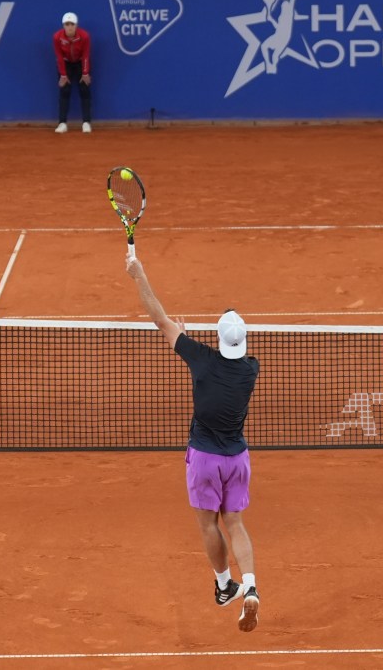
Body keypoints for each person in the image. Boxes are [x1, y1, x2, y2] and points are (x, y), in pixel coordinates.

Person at [125, 254, 262, 634]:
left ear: (218, 339)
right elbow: (223, 358)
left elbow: (158, 319)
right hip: (237, 459)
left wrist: (139, 274)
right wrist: (187, 341)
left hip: (204, 459)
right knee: (234, 522)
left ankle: (223, 586)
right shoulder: (251, 368)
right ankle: (250, 587)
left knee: (208, 525)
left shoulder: (200, 359)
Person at [53, 12, 92, 134]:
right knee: (64, 91)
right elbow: (59, 57)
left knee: (84, 90)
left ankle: (86, 123)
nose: (69, 27)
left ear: (76, 25)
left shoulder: (84, 36)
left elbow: (86, 55)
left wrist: (85, 72)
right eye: (67, 24)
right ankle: (62, 123)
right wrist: (63, 75)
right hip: (65, 64)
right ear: (63, 26)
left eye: (72, 24)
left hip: (80, 63)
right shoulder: (57, 37)